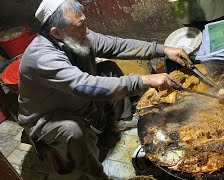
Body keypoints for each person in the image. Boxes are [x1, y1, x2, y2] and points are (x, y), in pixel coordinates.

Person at [18, 0, 191, 179]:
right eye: (79, 25)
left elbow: (116, 46)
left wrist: (162, 50)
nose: (86, 30)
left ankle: (118, 123)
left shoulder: (76, 35)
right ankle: (93, 174)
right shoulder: (42, 57)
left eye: (84, 22)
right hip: (47, 119)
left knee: (108, 69)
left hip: (74, 100)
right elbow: (84, 86)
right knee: (71, 129)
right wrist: (146, 80)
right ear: (56, 32)